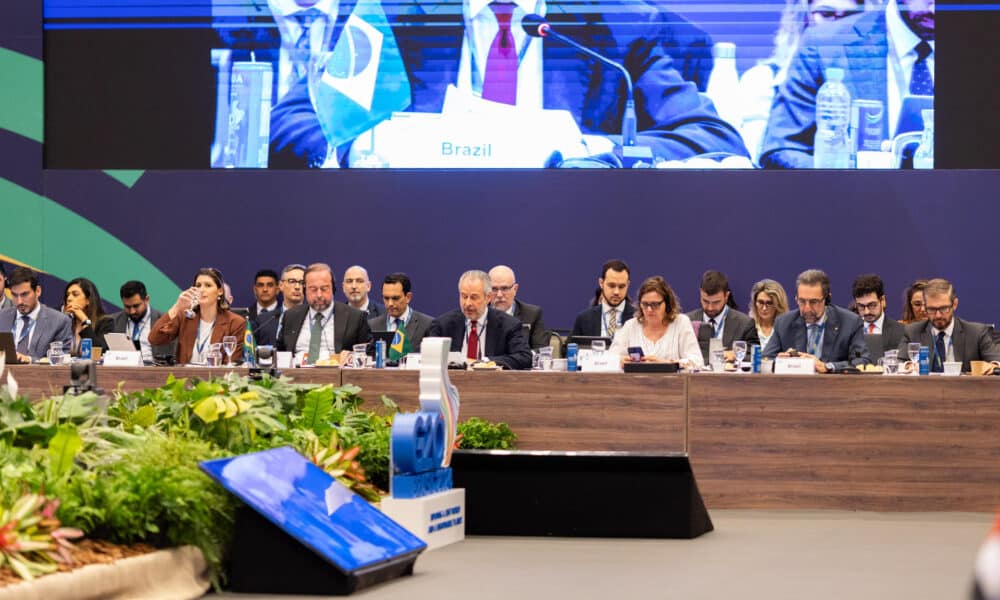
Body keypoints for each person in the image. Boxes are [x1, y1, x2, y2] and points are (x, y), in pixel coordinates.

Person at [268, 0, 748, 168]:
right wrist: (363, 147)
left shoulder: (615, 23)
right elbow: (294, 119)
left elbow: (712, 138)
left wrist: (595, 152)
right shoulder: (400, 14)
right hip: (416, 227)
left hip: (565, 232)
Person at [760, 0, 934, 168]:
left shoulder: (960, 47)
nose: (935, 9)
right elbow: (783, 148)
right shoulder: (826, 44)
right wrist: (845, 175)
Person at [738, 0, 879, 161]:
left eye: (851, 15)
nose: (840, 23)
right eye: (826, 14)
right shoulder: (763, 79)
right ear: (802, 16)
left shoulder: (868, 81)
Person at [762, 269, 870, 372]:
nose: (807, 308)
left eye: (814, 302)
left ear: (827, 299)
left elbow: (863, 361)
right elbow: (764, 360)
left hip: (834, 388)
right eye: (802, 301)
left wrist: (828, 367)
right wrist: (780, 362)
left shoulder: (850, 322)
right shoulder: (783, 323)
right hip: (795, 388)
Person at [427, 270, 532, 370]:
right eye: (464, 296)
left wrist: (485, 362)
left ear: (488, 297)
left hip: (491, 384)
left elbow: (524, 357)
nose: (467, 303)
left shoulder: (508, 325)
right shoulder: (443, 324)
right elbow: (427, 357)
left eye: (474, 297)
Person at [897, 278, 1000, 373]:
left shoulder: (976, 333)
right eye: (932, 309)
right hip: (925, 390)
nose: (938, 315)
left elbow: (997, 362)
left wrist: (993, 366)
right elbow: (898, 363)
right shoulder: (913, 331)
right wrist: (908, 366)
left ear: (954, 304)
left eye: (943, 309)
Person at [277, 263, 371, 364]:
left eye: (324, 289)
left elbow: (370, 354)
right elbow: (279, 354)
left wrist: (352, 356)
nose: (319, 295)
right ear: (305, 290)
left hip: (338, 377)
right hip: (296, 376)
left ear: (333, 289)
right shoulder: (291, 316)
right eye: (313, 289)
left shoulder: (355, 317)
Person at [149, 268, 247, 365]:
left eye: (208, 285)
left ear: (220, 291)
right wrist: (177, 306)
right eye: (198, 286)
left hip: (216, 379)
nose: (201, 290)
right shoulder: (185, 317)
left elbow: (230, 364)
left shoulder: (235, 322)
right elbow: (155, 339)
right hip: (184, 378)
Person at [610, 276, 703, 367]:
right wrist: (620, 362)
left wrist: (666, 364)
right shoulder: (630, 326)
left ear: (667, 304)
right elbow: (609, 360)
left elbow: (697, 362)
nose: (649, 309)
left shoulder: (681, 322)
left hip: (672, 382)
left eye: (655, 304)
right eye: (645, 304)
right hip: (636, 382)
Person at [0, 268, 72, 363]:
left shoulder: (59, 321)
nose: (19, 301)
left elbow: (62, 361)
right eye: (14, 295)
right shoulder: (2, 317)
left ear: (38, 291)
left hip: (39, 376)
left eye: (24, 294)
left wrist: (30, 360)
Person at [686, 270, 759, 364]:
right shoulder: (687, 321)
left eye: (716, 302)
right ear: (700, 293)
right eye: (705, 301)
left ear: (726, 296)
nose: (710, 307)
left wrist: (735, 354)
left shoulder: (745, 324)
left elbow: (756, 356)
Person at [97, 280, 175, 363]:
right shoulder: (112, 321)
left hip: (155, 371)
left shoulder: (165, 321)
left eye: (136, 306)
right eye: (127, 307)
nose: (132, 311)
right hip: (122, 370)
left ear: (147, 299)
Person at [367, 273, 433, 354]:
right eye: (386, 298)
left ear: (408, 297)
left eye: (395, 298)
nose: (390, 303)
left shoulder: (427, 324)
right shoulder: (372, 325)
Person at [489, 265, 548, 349]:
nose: (499, 295)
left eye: (504, 288)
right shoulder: (480, 314)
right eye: (494, 289)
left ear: (515, 289)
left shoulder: (532, 314)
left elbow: (541, 351)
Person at [571, 259, 634, 338]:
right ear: (601, 283)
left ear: (628, 285)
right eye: (611, 285)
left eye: (621, 286)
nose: (616, 292)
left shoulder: (638, 318)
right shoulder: (584, 319)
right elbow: (569, 348)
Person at [851, 273, 904, 352]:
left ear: (882, 300)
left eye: (872, 305)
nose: (866, 312)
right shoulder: (848, 331)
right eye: (861, 306)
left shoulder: (901, 331)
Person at [61, 277, 109, 356]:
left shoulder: (105, 322)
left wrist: (84, 320)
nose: (69, 299)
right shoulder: (65, 322)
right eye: (67, 295)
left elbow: (100, 352)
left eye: (75, 294)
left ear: (88, 300)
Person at [748, 278, 790, 350]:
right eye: (760, 302)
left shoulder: (787, 329)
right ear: (755, 303)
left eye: (769, 303)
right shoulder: (747, 328)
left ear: (779, 304)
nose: (764, 308)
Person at [248, 269, 283, 347]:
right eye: (260, 285)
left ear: (277, 289)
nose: (265, 289)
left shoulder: (285, 314)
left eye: (270, 285)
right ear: (254, 290)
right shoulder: (245, 314)